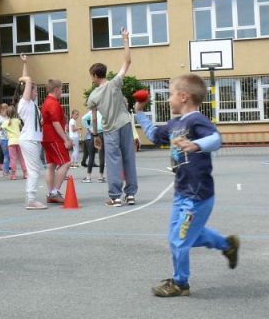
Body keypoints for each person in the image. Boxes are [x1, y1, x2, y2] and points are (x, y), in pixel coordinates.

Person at [134, 73, 240, 297]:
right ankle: (227, 244)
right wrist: (139, 113)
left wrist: (194, 145)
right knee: (187, 236)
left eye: (171, 94)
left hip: (198, 195)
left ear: (183, 96)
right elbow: (154, 135)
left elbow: (215, 139)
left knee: (179, 239)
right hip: (182, 192)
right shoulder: (174, 123)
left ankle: (180, 283)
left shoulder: (196, 120)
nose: (168, 99)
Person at [87, 28, 138, 207]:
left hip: (109, 130)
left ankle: (115, 197)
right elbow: (128, 61)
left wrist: (95, 136)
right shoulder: (115, 83)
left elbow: (94, 119)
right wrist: (125, 39)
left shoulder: (93, 96)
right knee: (128, 159)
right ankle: (130, 194)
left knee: (113, 161)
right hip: (124, 124)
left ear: (94, 75)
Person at [15, 55, 49, 210]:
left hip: (32, 139)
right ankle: (31, 199)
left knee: (33, 170)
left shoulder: (32, 104)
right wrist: (24, 77)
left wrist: (25, 63)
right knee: (34, 171)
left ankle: (30, 197)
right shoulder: (24, 102)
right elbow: (26, 82)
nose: (36, 91)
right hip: (29, 140)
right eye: (34, 89)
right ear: (28, 91)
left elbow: (26, 82)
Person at [41, 77, 73, 204]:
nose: (61, 92)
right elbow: (55, 123)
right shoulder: (53, 103)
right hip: (54, 138)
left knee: (51, 165)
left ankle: (51, 193)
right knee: (66, 163)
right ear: (56, 89)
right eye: (61, 89)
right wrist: (66, 139)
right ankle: (54, 192)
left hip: (47, 137)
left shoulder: (46, 102)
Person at [0, 105, 26, 181]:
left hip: (11, 142)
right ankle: (25, 173)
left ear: (7, 114)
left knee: (13, 159)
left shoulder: (5, 122)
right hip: (19, 141)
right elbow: (21, 128)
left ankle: (13, 174)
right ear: (14, 112)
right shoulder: (17, 121)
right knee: (22, 158)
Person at [81, 110, 105, 183]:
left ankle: (88, 177)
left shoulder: (92, 111)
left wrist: (89, 127)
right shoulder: (104, 111)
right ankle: (100, 177)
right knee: (102, 155)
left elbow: (83, 118)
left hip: (93, 133)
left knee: (91, 155)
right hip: (102, 133)